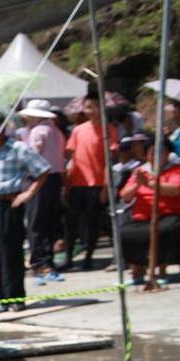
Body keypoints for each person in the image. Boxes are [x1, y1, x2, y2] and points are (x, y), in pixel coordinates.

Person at [0, 113, 52, 313]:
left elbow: (43, 170)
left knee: (9, 251)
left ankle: (15, 296)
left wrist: (27, 194)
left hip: (9, 203)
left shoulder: (18, 148)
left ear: (0, 130)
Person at [62, 91, 118, 271]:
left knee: (92, 222)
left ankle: (88, 257)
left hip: (96, 183)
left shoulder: (109, 129)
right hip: (77, 182)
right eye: (87, 107)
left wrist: (106, 187)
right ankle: (69, 257)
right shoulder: (78, 130)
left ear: (101, 108)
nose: (90, 111)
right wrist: (67, 184)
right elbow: (71, 156)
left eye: (93, 107)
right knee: (71, 223)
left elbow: (110, 160)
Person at [118, 138, 180, 284]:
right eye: (152, 153)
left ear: (168, 154)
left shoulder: (176, 169)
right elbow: (125, 195)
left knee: (166, 230)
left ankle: (162, 270)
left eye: (161, 152)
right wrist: (137, 185)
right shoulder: (140, 172)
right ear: (147, 156)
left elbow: (176, 190)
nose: (156, 156)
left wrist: (151, 184)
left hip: (169, 214)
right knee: (126, 233)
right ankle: (137, 271)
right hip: (143, 215)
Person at [18, 99, 66, 285]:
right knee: (49, 221)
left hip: (39, 178)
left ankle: (38, 262)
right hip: (54, 177)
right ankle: (47, 260)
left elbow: (33, 156)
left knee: (36, 222)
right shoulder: (56, 131)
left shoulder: (38, 131)